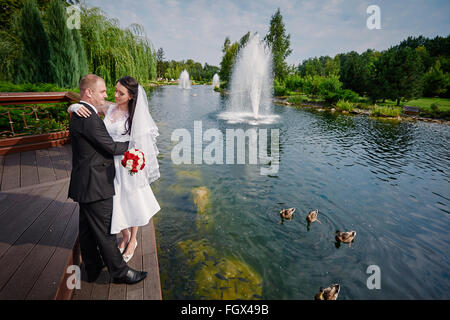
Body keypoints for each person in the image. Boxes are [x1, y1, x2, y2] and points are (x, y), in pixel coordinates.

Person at [69, 75, 161, 263]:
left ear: (130, 96)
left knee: (132, 200)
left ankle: (133, 240)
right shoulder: (108, 108)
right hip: (108, 164)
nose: (115, 95)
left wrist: (135, 159)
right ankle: (125, 234)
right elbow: (89, 106)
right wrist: (74, 106)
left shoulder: (135, 117)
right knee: (115, 201)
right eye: (115, 90)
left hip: (126, 163)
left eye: (121, 93)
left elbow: (140, 144)